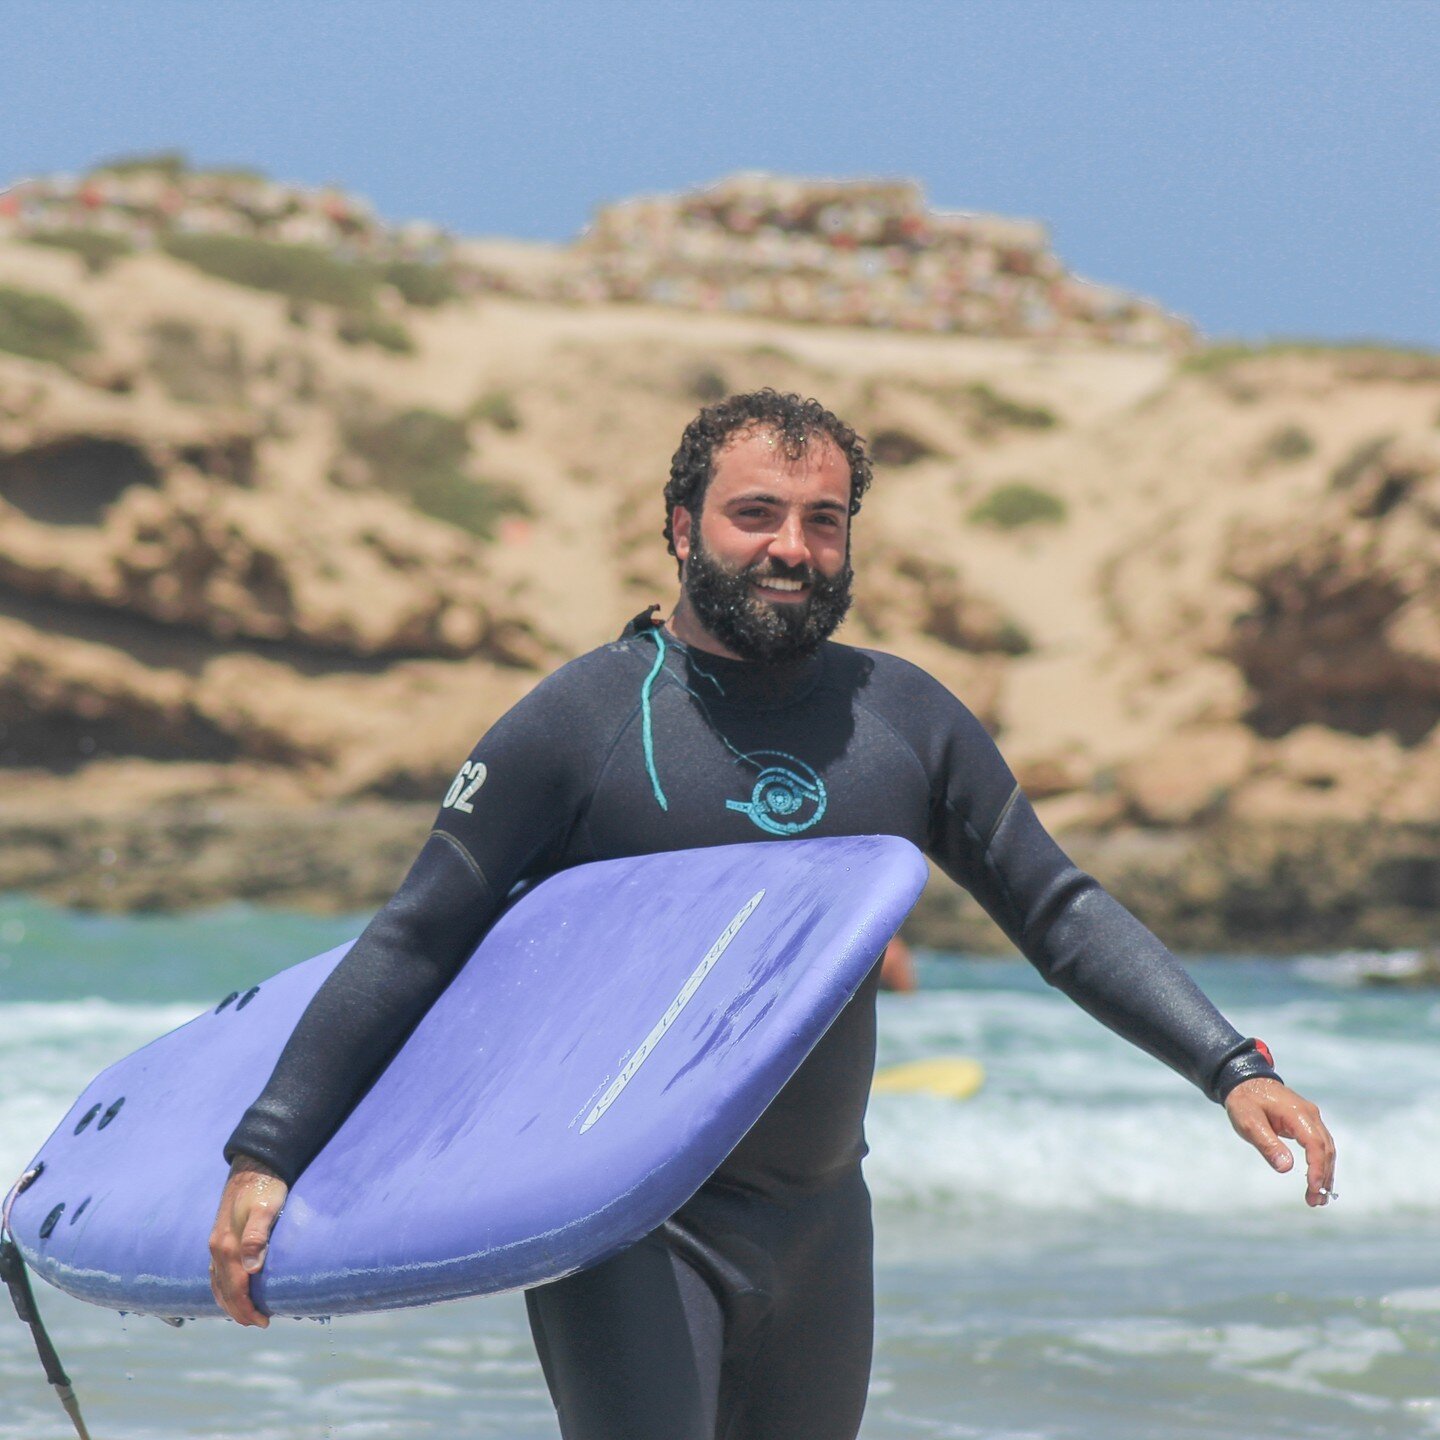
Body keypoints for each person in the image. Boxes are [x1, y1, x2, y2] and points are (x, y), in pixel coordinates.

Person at [209, 390, 1336, 1440]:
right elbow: (416, 938)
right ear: (681, 528)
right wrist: (268, 1153)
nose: (791, 548)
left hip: (821, 1226)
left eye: (823, 521)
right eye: (755, 514)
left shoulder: (900, 718)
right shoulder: (585, 719)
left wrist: (1231, 1065)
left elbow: (1059, 910)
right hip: (630, 1218)